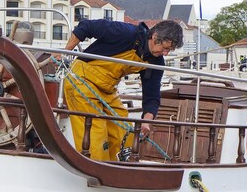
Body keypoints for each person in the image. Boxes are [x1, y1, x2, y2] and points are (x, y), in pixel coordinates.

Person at [61, 19, 183, 161]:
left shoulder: (156, 61)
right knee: (96, 133)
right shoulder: (126, 33)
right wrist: (64, 52)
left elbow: (152, 95)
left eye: (169, 50)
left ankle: (118, 169)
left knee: (125, 130)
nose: (166, 53)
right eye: (165, 48)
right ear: (155, 37)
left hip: (107, 90)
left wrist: (146, 121)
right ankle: (97, 169)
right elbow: (87, 26)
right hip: (81, 80)